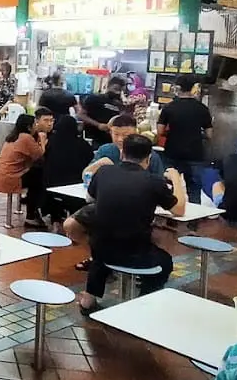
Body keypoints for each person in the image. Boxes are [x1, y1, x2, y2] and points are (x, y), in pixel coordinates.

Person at [76, 135, 185, 314]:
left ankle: (88, 299)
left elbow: (90, 198)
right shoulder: (154, 181)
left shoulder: (104, 172)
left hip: (100, 250)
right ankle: (144, 300)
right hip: (135, 254)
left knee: (103, 247)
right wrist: (176, 180)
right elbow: (179, 209)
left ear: (121, 153)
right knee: (165, 262)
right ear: (148, 158)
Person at [0, 110, 53, 228]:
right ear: (29, 127)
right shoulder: (26, 138)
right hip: (12, 178)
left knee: (36, 175)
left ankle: (29, 206)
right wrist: (43, 140)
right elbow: (39, 155)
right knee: (38, 180)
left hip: (2, 175)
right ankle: (31, 215)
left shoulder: (12, 136)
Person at [157, 75, 213, 201]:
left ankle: (170, 217)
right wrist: (197, 134)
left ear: (178, 88)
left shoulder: (169, 107)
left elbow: (160, 131)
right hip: (195, 154)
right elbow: (210, 135)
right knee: (194, 191)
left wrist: (172, 132)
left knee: (169, 188)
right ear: (193, 88)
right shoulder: (202, 109)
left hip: (172, 153)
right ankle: (194, 219)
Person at [85, 114, 166, 181]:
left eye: (125, 135)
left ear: (135, 133)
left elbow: (160, 182)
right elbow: (86, 176)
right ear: (110, 133)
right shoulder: (105, 150)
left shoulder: (146, 152)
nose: (120, 139)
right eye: (116, 134)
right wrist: (99, 164)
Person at [79, 73, 127, 143]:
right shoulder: (94, 98)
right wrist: (98, 125)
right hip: (92, 137)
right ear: (108, 87)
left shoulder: (119, 104)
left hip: (110, 139)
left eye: (120, 90)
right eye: (115, 89)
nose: (117, 92)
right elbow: (81, 115)